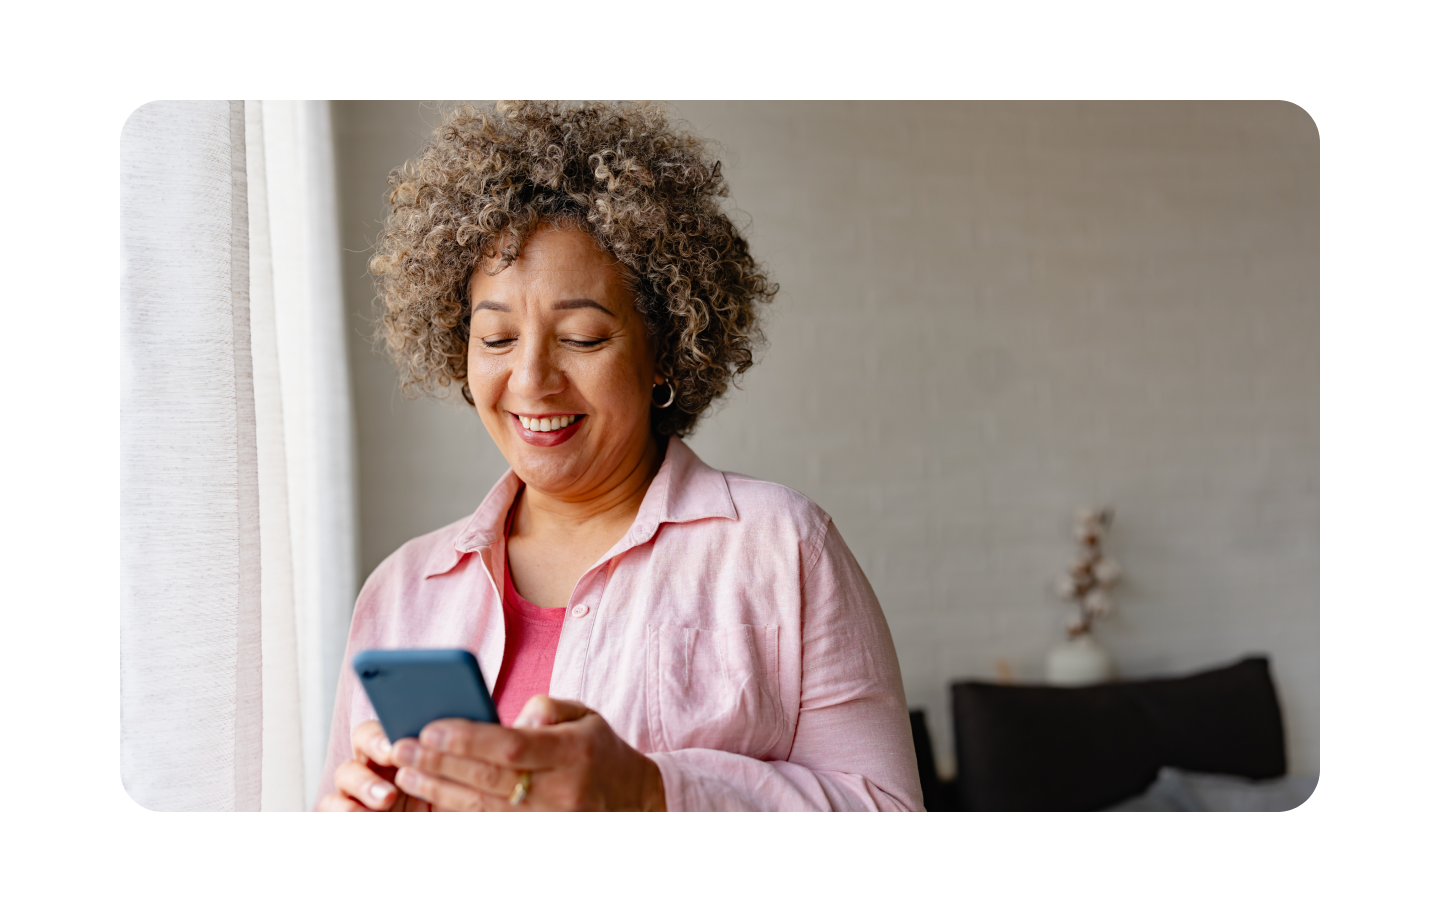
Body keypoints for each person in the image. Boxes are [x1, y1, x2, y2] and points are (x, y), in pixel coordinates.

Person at [318, 101, 921, 811]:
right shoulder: (402, 591)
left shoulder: (783, 549)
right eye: (497, 339)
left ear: (664, 348)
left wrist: (647, 790)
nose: (532, 380)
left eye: (582, 337)